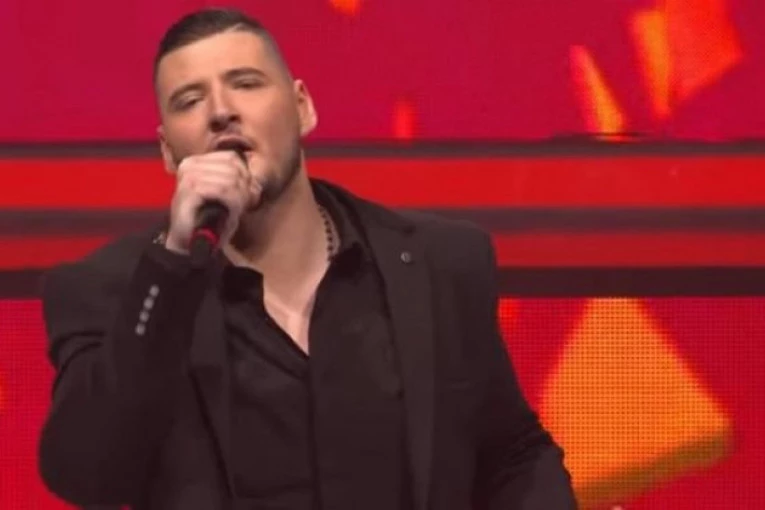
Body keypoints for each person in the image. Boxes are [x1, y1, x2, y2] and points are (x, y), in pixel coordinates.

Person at [38, 8, 576, 510]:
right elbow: (88, 475)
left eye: (246, 83)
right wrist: (175, 261)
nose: (221, 111)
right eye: (189, 101)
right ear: (167, 151)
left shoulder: (439, 263)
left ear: (302, 108)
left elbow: (512, 454)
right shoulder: (114, 290)